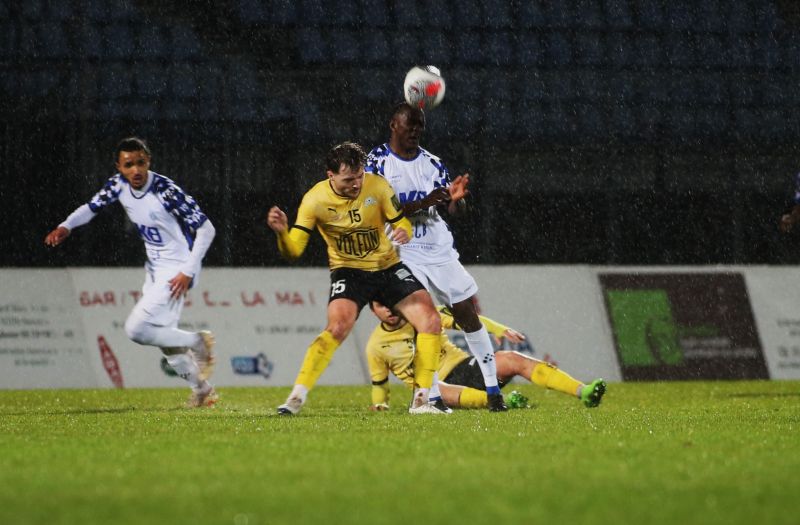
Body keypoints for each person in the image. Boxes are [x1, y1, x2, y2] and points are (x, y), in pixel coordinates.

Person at [266, 141, 447, 415]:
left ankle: (422, 400)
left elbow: (401, 222)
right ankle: (295, 399)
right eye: (349, 179)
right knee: (337, 328)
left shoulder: (378, 186)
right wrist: (282, 233)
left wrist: (404, 231)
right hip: (349, 271)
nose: (357, 184)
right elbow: (293, 251)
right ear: (330, 175)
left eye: (360, 176)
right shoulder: (314, 200)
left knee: (431, 320)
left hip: (387, 267)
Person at [44, 137, 218, 407]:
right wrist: (66, 226)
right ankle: (202, 389)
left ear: (148, 161)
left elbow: (207, 229)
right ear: (119, 167)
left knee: (136, 329)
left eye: (140, 163)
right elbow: (92, 208)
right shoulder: (118, 185)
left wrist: (188, 270)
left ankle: (199, 341)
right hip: (154, 271)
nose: (135, 170)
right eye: (129, 165)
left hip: (177, 270)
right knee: (164, 339)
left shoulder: (166, 191)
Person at [366, 101, 507, 411]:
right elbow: (376, 208)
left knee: (466, 313)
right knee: (424, 318)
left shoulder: (433, 164)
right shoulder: (376, 162)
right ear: (394, 125)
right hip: (403, 249)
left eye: (420, 127)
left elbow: (454, 212)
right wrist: (424, 202)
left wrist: (456, 201)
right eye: (409, 125)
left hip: (438, 248)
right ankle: (430, 397)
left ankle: (493, 391)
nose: (415, 131)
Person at [366, 300, 607, 410]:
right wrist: (379, 404)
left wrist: (499, 329)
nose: (387, 309)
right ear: (373, 310)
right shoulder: (376, 345)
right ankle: (502, 402)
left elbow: (468, 320)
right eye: (379, 305)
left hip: (466, 366)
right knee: (430, 387)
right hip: (434, 388)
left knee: (512, 357)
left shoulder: (425, 313)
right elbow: (380, 384)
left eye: (389, 302)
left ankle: (582, 391)